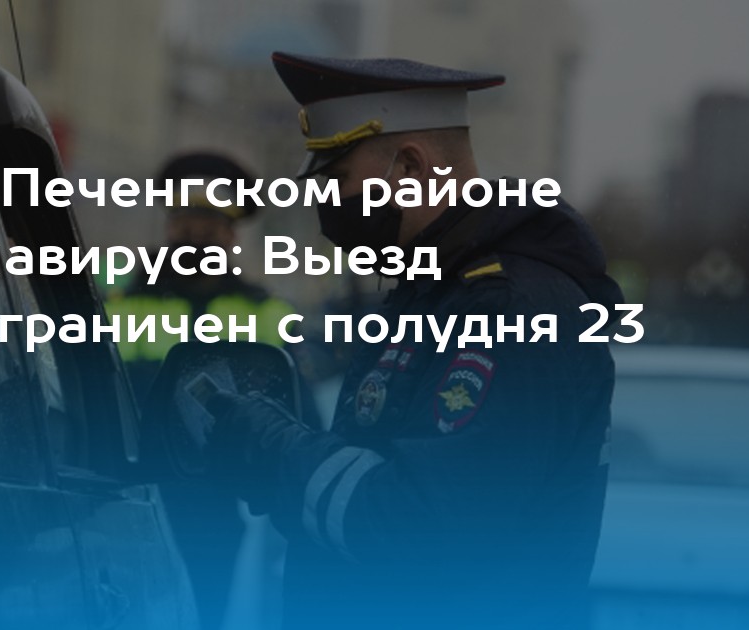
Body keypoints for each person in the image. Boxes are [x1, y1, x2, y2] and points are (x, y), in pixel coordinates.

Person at [202, 53, 624, 629]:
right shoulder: (435, 293)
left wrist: (273, 448)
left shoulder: (508, 309)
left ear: (409, 166)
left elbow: (421, 527)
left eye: (337, 181)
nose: (325, 204)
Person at [105, 152, 295, 629]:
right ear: (169, 225)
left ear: (231, 235)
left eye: (209, 227)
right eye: (184, 223)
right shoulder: (118, 300)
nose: (194, 237)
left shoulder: (265, 312)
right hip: (123, 491)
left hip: (213, 499)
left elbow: (292, 409)